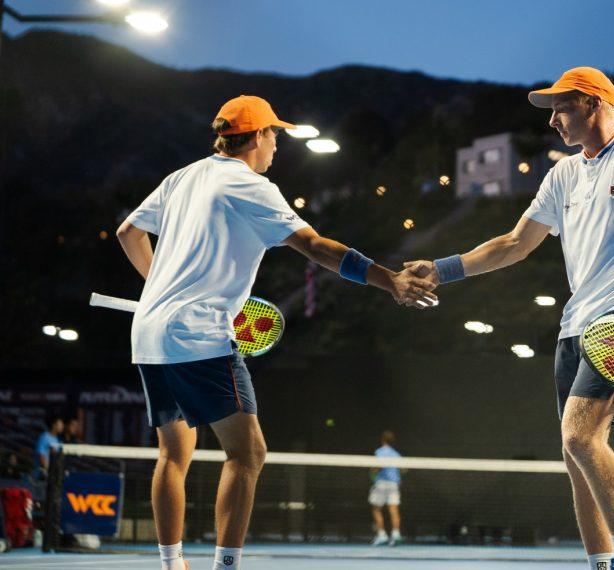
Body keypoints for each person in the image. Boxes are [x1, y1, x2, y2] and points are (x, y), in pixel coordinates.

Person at [405, 67, 614, 570]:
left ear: (593, 104)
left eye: (561, 107)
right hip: (574, 329)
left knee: (578, 437)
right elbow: (513, 244)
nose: (552, 121)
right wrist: (440, 269)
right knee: (577, 460)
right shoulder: (563, 174)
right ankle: (599, 564)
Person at [115, 95, 437, 570]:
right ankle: (226, 566)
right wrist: (388, 279)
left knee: (173, 455)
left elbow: (128, 233)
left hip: (149, 333)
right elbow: (315, 246)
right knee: (248, 454)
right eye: (275, 136)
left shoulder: (181, 177)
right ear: (258, 137)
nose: (277, 146)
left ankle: (171, 564)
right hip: (198, 335)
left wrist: (159, 289)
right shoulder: (250, 185)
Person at [369, 431, 403, 546]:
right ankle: (396, 534)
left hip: (382, 483)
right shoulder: (396, 454)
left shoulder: (380, 451)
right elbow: (404, 469)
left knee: (376, 509)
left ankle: (382, 535)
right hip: (394, 484)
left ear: (382, 440)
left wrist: (372, 471)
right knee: (394, 509)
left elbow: (378, 466)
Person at [33, 415, 63, 480]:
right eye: (60, 424)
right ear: (54, 425)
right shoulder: (44, 437)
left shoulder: (58, 440)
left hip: (52, 477)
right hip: (41, 478)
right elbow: (41, 458)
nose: (62, 426)